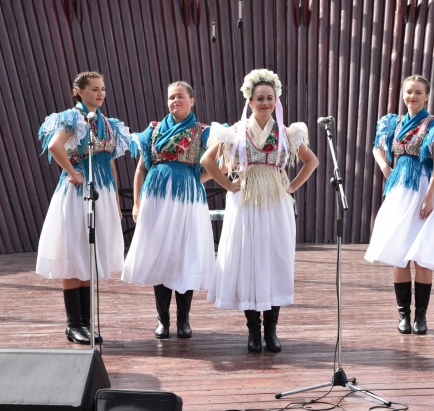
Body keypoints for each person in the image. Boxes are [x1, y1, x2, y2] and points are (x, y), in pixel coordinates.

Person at [201, 69, 318, 353]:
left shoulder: (287, 132)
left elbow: (311, 161)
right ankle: (253, 330)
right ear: (250, 101)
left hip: (276, 203)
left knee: (275, 259)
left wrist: (290, 188)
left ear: (275, 99)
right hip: (246, 202)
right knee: (249, 261)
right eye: (259, 98)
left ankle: (272, 330)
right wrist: (229, 185)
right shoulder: (235, 132)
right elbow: (207, 160)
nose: (265, 102)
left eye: (270, 97)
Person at [36, 71, 129, 345]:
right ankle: (73, 324)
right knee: (74, 252)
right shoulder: (73, 118)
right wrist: (73, 173)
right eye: (94, 89)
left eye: (102, 88)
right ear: (79, 91)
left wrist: (113, 197)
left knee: (90, 256)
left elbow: (109, 160)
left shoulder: (108, 123)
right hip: (79, 189)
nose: (100, 93)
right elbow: (55, 146)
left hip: (101, 188)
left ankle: (86, 323)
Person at [365, 75, 434, 335]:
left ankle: (421, 316)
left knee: (421, 258)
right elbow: (377, 148)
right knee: (400, 254)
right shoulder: (394, 123)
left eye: (418, 92)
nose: (413, 97)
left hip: (423, 189)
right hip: (399, 190)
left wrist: (429, 197)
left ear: (427, 95)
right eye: (409, 92)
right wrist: (386, 166)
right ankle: (403, 315)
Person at [121, 81, 214, 339]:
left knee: (184, 254)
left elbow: (223, 161)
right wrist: (137, 203)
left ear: (192, 100)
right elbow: (141, 168)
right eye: (171, 97)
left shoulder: (202, 131)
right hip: (156, 197)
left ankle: (184, 320)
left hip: (187, 198)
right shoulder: (153, 130)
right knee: (159, 255)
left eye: (180, 96)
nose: (175, 100)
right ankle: (163, 320)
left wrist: (198, 179)